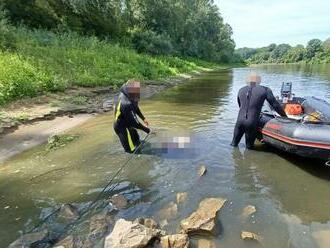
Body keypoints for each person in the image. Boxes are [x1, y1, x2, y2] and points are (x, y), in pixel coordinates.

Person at [231, 72, 287, 149]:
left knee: (233, 144)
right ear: (259, 80)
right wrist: (285, 117)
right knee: (249, 148)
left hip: (239, 121)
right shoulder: (265, 90)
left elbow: (240, 105)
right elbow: (275, 105)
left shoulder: (241, 90)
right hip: (252, 123)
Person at [113, 80, 150, 153]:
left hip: (128, 122)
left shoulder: (131, 96)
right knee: (131, 151)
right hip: (121, 127)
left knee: (137, 141)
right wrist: (147, 130)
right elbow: (135, 123)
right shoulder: (126, 103)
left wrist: (143, 118)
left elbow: (135, 107)